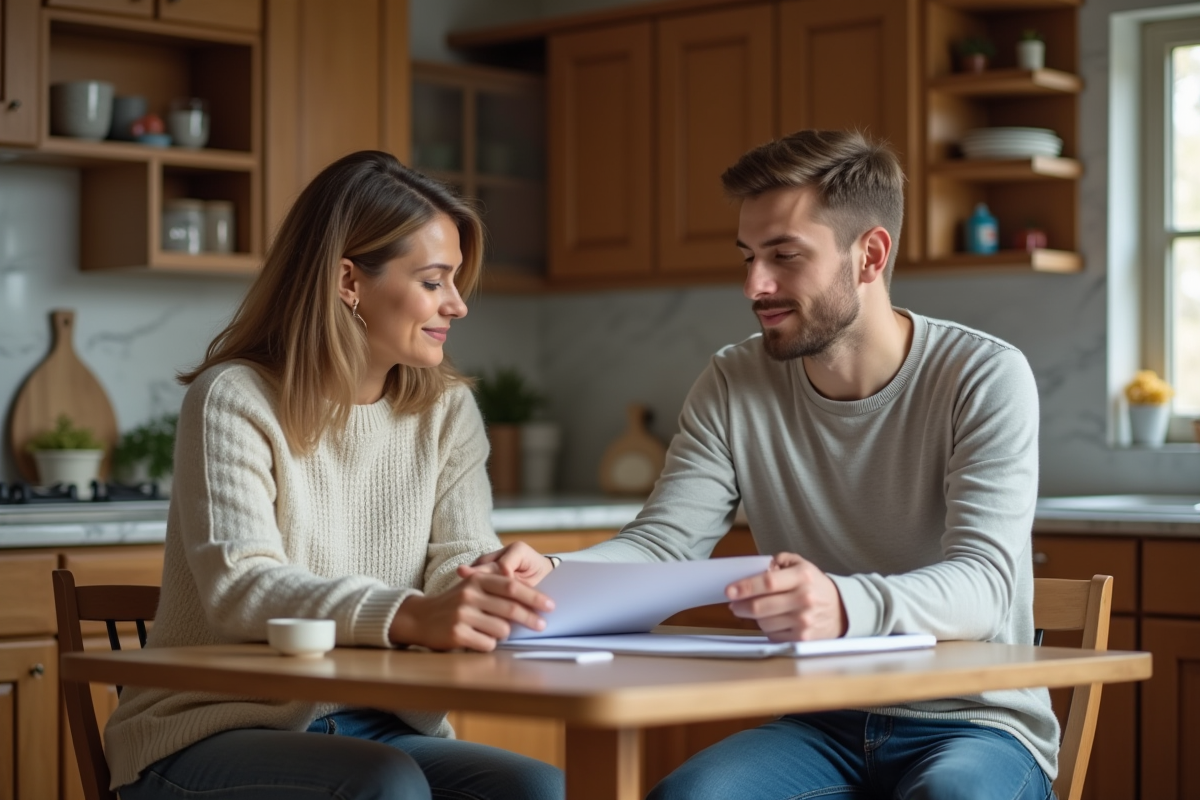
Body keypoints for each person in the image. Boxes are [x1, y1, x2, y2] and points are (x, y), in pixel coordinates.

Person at [476, 130, 1057, 800]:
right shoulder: (732, 380)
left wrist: (842, 604)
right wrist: (553, 577)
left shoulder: (983, 375)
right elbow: (665, 546)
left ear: (869, 255)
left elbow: (985, 584)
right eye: (749, 257)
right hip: (822, 722)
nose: (756, 284)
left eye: (784, 256)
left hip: (974, 721)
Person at [106, 150, 563, 800]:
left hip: (382, 725)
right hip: (210, 729)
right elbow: (242, 585)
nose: (458, 305)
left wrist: (486, 579)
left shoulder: (445, 407)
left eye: (456, 281)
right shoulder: (234, 397)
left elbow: (454, 558)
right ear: (349, 281)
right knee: (386, 785)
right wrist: (411, 615)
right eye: (434, 281)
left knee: (535, 787)